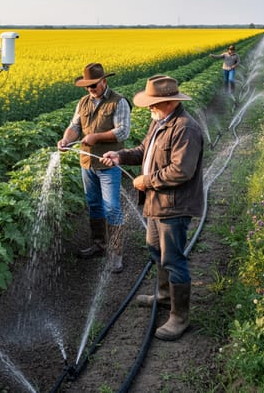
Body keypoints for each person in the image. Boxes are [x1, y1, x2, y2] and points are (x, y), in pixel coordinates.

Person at [100, 74, 204, 341]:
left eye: (153, 103)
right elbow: (144, 150)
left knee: (174, 258)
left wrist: (146, 180)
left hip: (174, 205)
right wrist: (120, 155)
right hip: (156, 203)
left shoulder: (185, 128)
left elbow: (181, 171)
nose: (149, 108)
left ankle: (180, 317)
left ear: (168, 101)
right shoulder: (160, 122)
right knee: (154, 248)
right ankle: (164, 294)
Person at [57, 63, 131, 273]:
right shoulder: (83, 102)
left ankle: (116, 254)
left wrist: (96, 137)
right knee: (94, 204)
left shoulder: (119, 102)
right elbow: (75, 127)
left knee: (112, 207)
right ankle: (99, 245)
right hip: (87, 162)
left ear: (104, 81)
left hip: (108, 163)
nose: (91, 89)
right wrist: (66, 140)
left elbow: (123, 132)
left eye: (94, 85)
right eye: (88, 86)